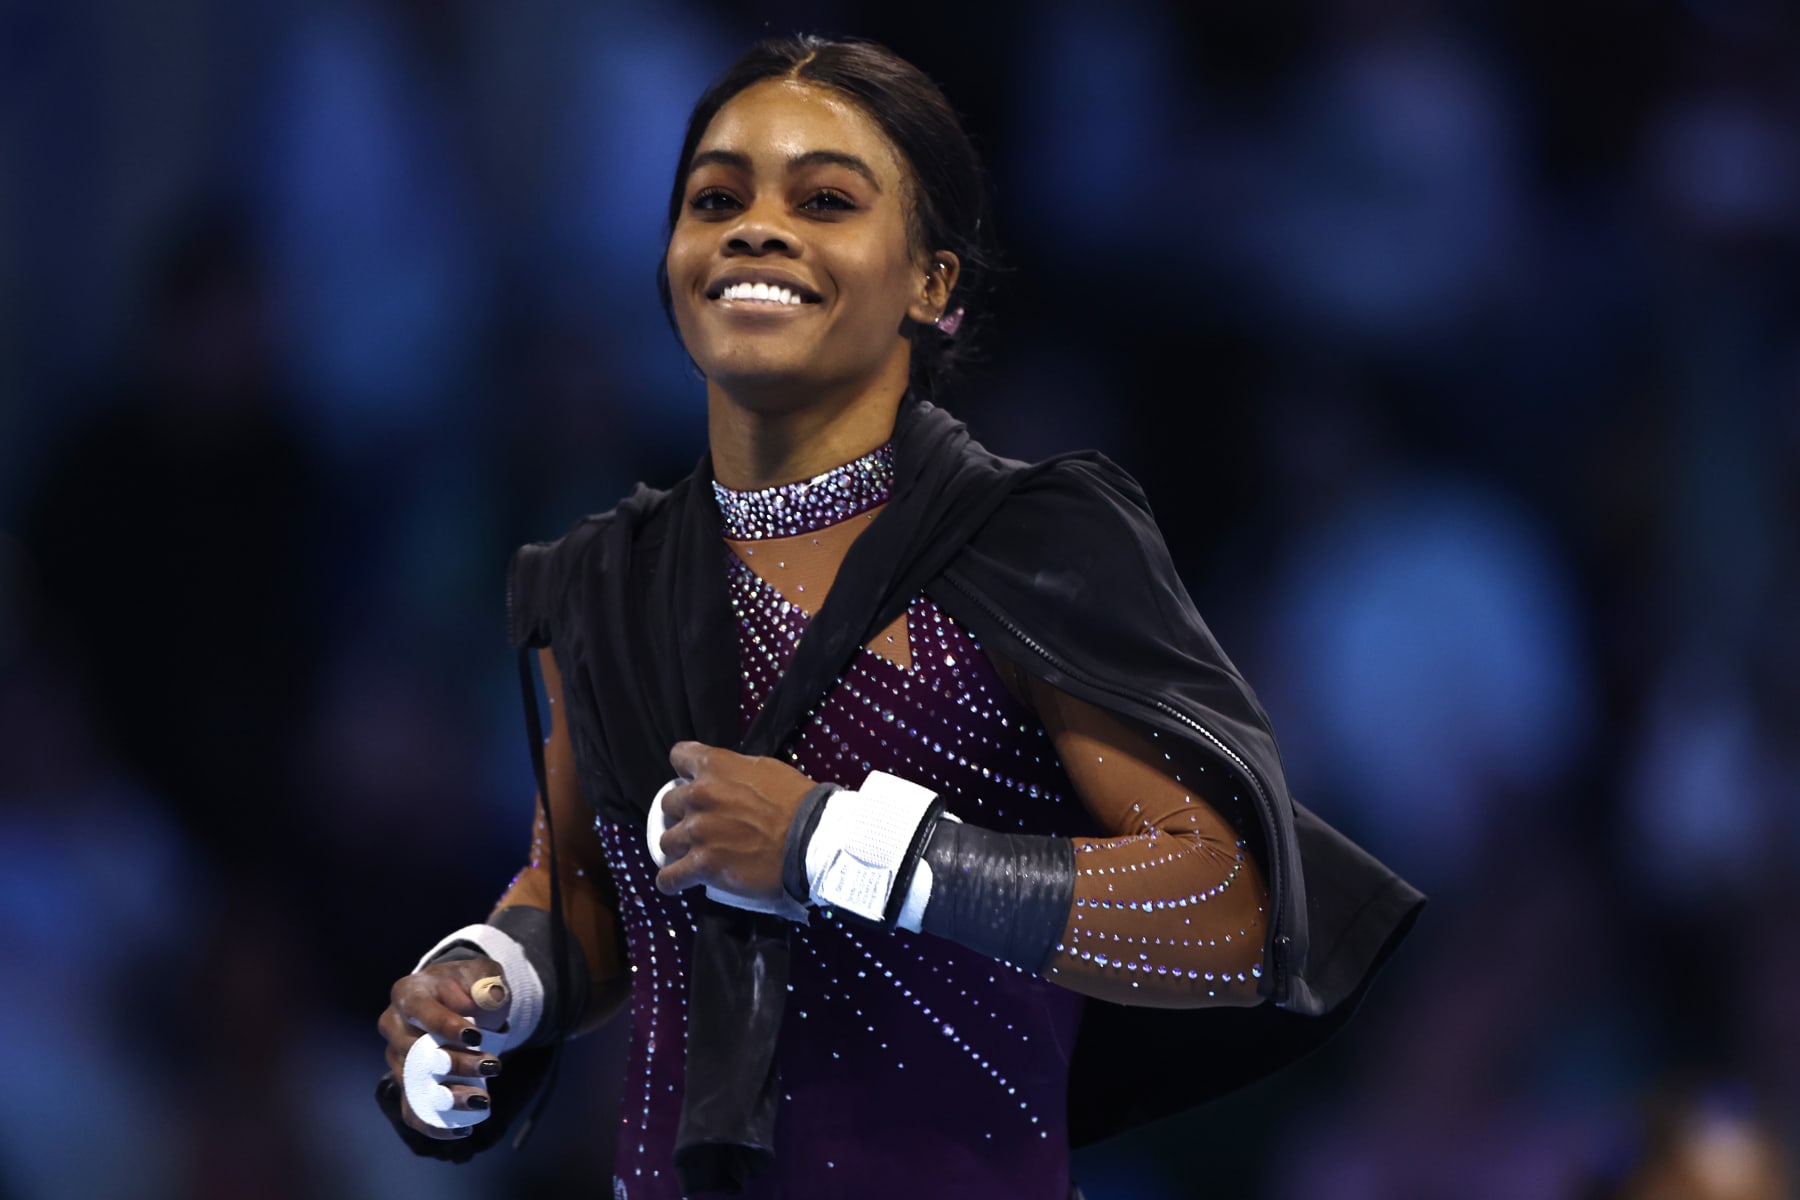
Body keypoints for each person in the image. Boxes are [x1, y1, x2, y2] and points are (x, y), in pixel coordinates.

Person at [376, 34, 1422, 1200]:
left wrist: (843, 848)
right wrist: (485, 985)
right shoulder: (606, 581)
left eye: (824, 199)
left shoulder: (1031, 548)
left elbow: (1227, 908)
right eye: (717, 197)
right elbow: (582, 902)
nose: (757, 229)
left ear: (933, 286)